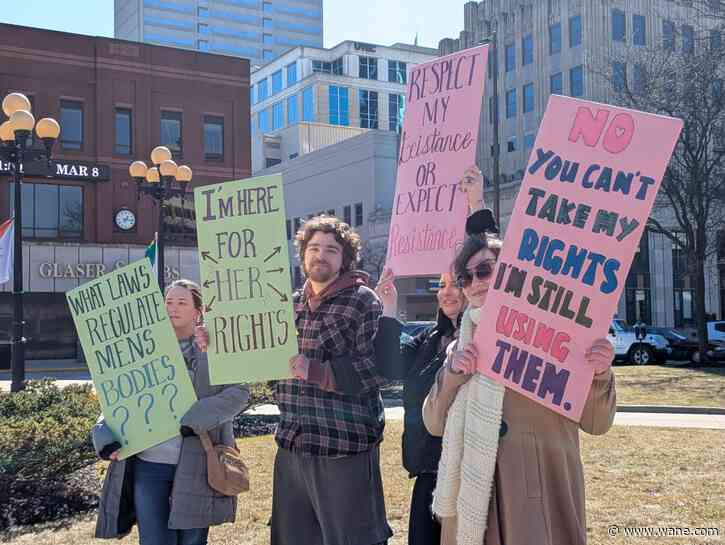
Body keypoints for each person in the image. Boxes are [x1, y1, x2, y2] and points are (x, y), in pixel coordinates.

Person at [422, 168, 617, 545]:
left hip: (540, 504)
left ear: (512, 274)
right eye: (466, 277)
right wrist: (454, 373)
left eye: (485, 271)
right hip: (474, 512)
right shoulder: (460, 347)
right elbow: (433, 422)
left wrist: (599, 372)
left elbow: (597, 422)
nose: (475, 283)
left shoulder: (557, 336)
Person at [371, 166, 485, 545]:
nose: (448, 292)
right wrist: (389, 308)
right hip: (427, 472)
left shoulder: (484, 336)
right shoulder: (426, 341)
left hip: (476, 473)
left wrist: (476, 203)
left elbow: (488, 259)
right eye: (443, 285)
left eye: (458, 283)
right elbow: (388, 367)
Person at [92, 279, 250, 545]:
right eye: (168, 302)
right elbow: (117, 396)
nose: (172, 308)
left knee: (192, 541)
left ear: (197, 311)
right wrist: (104, 436)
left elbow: (240, 392)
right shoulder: (141, 348)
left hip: (198, 464)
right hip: (149, 465)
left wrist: (196, 419)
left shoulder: (215, 348)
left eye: (181, 302)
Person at [272, 215, 392, 545]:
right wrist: (218, 344)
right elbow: (263, 362)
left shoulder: (364, 300)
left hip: (342, 447)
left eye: (330, 249)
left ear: (345, 259)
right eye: (313, 248)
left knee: (352, 540)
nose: (320, 255)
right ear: (302, 255)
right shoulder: (288, 305)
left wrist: (318, 372)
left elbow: (378, 368)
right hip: (293, 444)